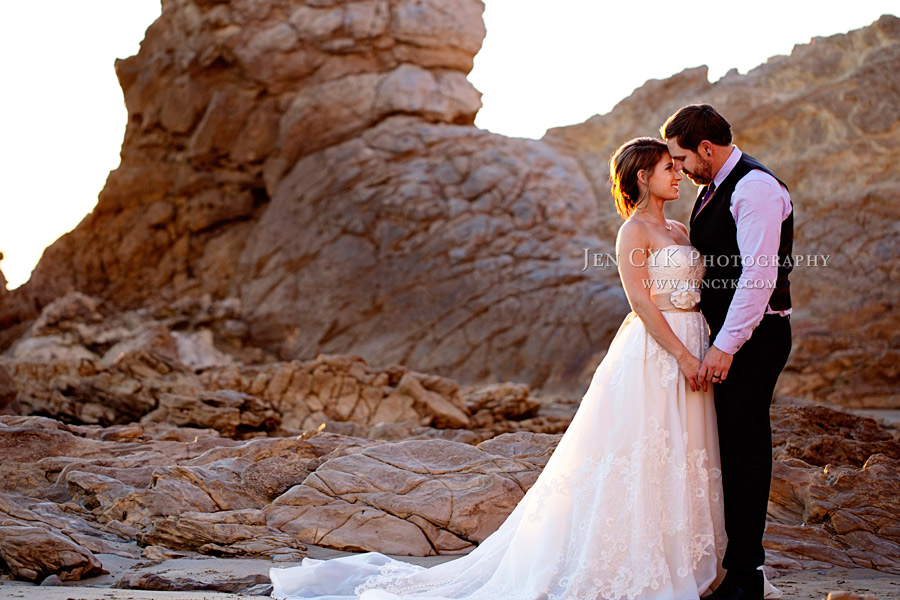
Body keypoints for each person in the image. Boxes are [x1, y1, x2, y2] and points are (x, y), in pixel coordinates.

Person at [269, 138, 753, 600]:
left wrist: (707, 346)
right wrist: (685, 356)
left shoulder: (680, 231)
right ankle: (639, 566)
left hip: (694, 337)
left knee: (684, 454)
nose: (678, 174)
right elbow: (641, 304)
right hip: (657, 351)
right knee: (643, 453)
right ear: (644, 177)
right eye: (669, 168)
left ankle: (686, 563)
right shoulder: (634, 231)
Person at [660, 105, 793, 600]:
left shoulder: (754, 186)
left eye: (680, 158)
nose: (679, 168)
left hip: (753, 341)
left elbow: (758, 277)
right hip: (727, 340)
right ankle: (726, 565)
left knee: (744, 451)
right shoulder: (713, 189)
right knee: (725, 450)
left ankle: (746, 576)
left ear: (706, 150)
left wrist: (724, 345)